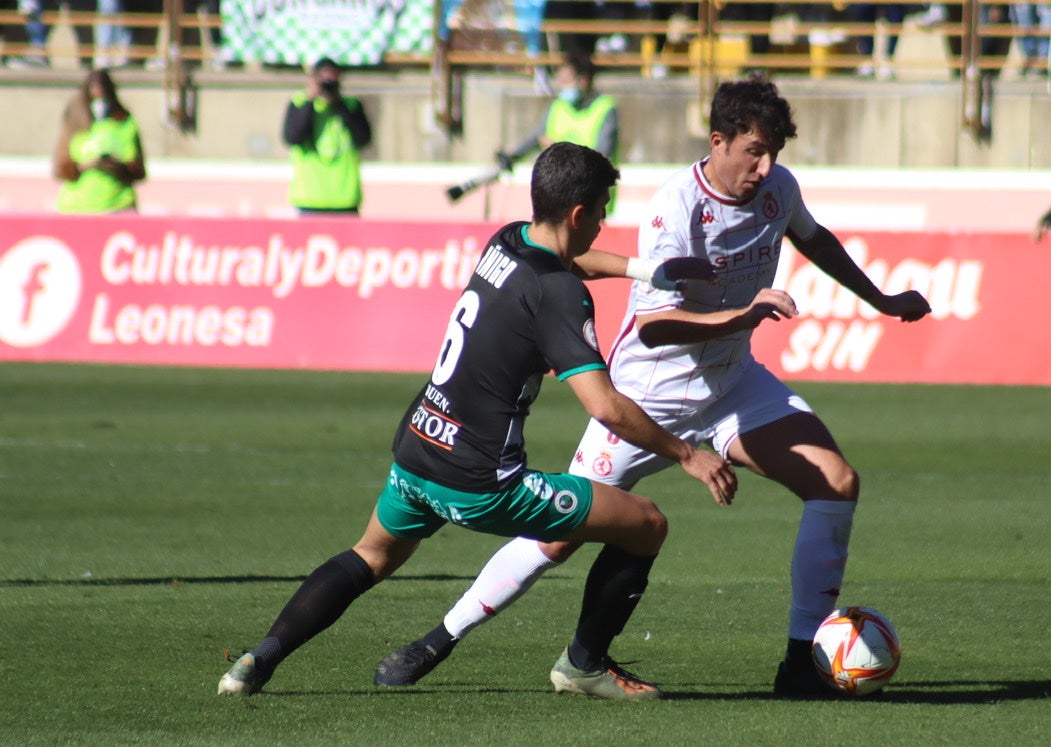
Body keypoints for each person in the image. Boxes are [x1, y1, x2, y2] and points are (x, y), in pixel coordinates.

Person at [374, 75, 932, 699]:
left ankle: (800, 663)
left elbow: (814, 237)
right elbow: (656, 325)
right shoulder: (676, 208)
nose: (766, 166)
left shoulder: (779, 188)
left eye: (775, 151)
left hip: (732, 386)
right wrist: (742, 315)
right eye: (754, 151)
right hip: (648, 396)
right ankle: (441, 637)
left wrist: (879, 299)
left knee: (836, 482)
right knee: (556, 539)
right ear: (718, 142)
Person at [217, 141, 739, 700]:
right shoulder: (561, 295)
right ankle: (584, 665)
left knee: (368, 555)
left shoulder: (509, 239)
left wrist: (646, 272)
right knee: (646, 523)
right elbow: (604, 406)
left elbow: (567, 260)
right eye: (603, 212)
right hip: (483, 482)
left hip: (418, 447)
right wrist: (687, 453)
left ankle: (256, 660)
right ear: (579, 213)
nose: (604, 225)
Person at [496, 51, 618, 177]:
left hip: (591, 191)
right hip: (559, 190)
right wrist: (513, 157)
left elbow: (601, 158)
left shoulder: (605, 108)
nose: (559, 85)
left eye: (565, 81)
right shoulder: (558, 106)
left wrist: (559, 151)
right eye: (559, 80)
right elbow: (536, 138)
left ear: (584, 81)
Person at [282, 57, 372, 216]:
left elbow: (363, 138)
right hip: (309, 198)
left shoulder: (351, 106)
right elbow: (292, 137)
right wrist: (311, 98)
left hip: (345, 199)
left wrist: (338, 104)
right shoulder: (299, 103)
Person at [52, 68, 146, 214]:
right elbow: (61, 168)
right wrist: (86, 165)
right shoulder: (74, 124)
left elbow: (138, 170)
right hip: (76, 208)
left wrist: (115, 165)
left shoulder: (124, 122)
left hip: (118, 206)